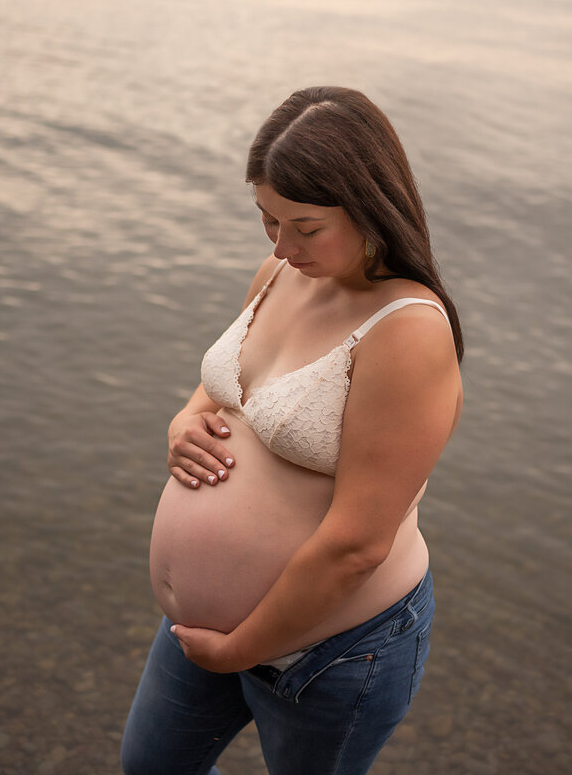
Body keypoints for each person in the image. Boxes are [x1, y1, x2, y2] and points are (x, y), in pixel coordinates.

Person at [121, 86, 464, 775]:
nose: (281, 244)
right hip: (205, 632)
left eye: (304, 226)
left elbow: (357, 544)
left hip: (328, 650)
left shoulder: (407, 334)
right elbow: (231, 386)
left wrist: (244, 648)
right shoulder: (281, 272)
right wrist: (185, 421)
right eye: (266, 219)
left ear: (370, 205)